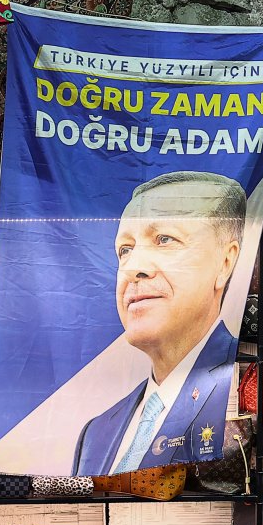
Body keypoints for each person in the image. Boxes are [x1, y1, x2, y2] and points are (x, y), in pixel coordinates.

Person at [72, 170, 245, 475]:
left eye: (164, 239)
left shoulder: (242, 393)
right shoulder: (94, 434)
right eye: (125, 250)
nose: (133, 268)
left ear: (225, 261)